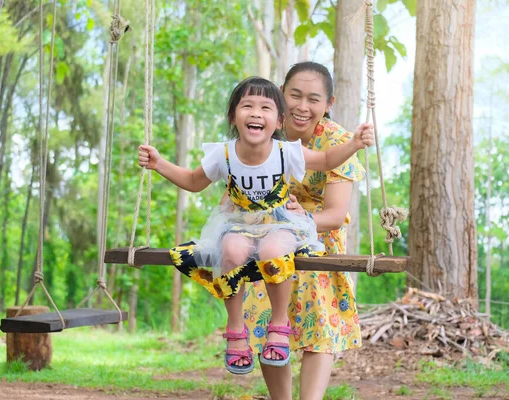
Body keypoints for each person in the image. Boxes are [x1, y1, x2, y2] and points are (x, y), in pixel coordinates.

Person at [137, 76, 374, 375]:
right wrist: (159, 164)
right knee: (232, 250)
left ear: (278, 122)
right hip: (239, 224)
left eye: (266, 107)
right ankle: (235, 330)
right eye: (247, 105)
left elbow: (327, 159)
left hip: (280, 224)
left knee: (273, 249)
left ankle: (278, 325)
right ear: (233, 117)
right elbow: (194, 182)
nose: (256, 113)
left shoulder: (286, 152)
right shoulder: (223, 155)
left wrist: (353, 144)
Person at [240, 62, 366, 400]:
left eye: (313, 99)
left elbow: (335, 215)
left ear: (329, 104)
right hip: (268, 237)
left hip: (318, 238)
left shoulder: (337, 141)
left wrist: (299, 222)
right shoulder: (265, 130)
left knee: (317, 315)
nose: (302, 106)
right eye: (294, 95)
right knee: (266, 310)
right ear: (282, 93)